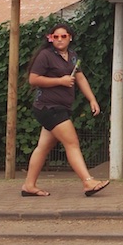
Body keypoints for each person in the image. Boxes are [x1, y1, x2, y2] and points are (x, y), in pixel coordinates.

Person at [21, 23, 110, 197]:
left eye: (63, 36)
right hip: (48, 107)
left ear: (71, 37)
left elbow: (80, 77)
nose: (60, 40)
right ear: (50, 38)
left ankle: (29, 186)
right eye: (56, 37)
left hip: (60, 107)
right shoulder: (45, 55)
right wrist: (59, 81)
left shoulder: (73, 56)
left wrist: (92, 99)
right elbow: (33, 79)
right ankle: (87, 182)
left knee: (43, 147)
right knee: (72, 143)